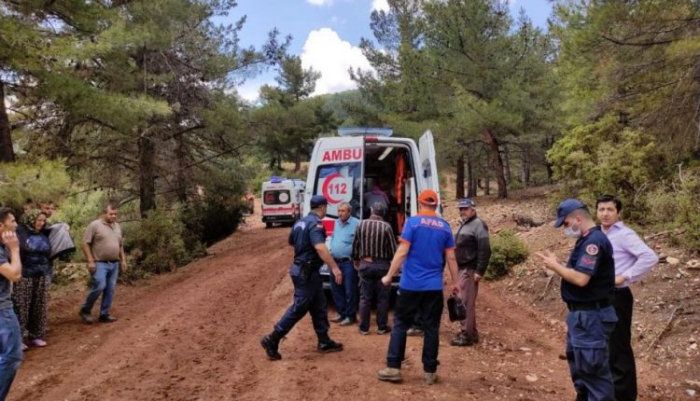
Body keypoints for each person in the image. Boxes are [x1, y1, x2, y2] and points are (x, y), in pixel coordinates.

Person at [536, 199, 618, 401]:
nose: (564, 229)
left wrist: (555, 266)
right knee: (581, 372)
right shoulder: (585, 239)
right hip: (581, 316)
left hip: (591, 317)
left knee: (593, 374)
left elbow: (581, 279)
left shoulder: (593, 242)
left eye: (565, 224)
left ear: (577, 219)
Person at [376, 189, 460, 385]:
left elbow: (402, 251)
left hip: (410, 285)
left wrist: (389, 275)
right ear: (436, 205)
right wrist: (456, 283)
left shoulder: (412, 223)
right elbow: (451, 257)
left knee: (400, 324)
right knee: (431, 328)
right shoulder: (445, 227)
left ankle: (393, 368)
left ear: (420, 204)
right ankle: (429, 372)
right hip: (433, 287)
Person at [260, 195, 344, 360]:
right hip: (306, 272)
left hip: (305, 270)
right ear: (321, 207)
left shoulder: (300, 222)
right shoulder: (316, 224)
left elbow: (292, 241)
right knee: (299, 307)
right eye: (326, 207)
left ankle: (324, 341)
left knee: (319, 305)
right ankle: (273, 338)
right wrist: (334, 267)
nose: (326, 210)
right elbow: (320, 247)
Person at [596, 195, 658, 401]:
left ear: (618, 213)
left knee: (618, 346)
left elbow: (650, 257)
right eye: (601, 209)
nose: (605, 214)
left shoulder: (624, 235)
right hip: (598, 297)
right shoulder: (596, 234)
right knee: (602, 346)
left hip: (617, 296)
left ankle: (624, 396)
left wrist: (625, 276)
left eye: (610, 210)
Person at [352, 202, 397, 335]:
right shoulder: (386, 227)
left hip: (365, 264)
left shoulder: (361, 224)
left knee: (365, 298)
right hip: (382, 265)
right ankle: (382, 327)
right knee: (382, 298)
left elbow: (355, 246)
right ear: (383, 213)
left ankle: (364, 328)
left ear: (371, 211)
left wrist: (356, 261)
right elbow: (393, 250)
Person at [451, 198, 491, 347]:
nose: (462, 211)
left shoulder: (478, 224)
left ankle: (466, 336)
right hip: (463, 268)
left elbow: (485, 249)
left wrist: (480, 270)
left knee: (465, 303)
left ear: (473, 209)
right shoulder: (465, 224)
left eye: (465, 209)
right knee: (467, 302)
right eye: (460, 209)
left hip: (469, 269)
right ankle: (472, 333)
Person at [78, 203, 128, 324]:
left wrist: (123, 260)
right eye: (111, 214)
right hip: (99, 263)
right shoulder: (95, 225)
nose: (114, 216)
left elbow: (120, 245)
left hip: (114, 263)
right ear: (104, 213)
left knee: (110, 289)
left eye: (115, 214)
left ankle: (104, 314)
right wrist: (90, 261)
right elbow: (85, 243)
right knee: (99, 286)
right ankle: (85, 310)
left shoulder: (117, 227)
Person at [12, 210, 52, 349]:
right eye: (38, 220)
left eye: (43, 221)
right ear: (30, 220)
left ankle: (36, 335)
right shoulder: (20, 234)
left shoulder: (43, 234)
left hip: (42, 274)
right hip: (25, 276)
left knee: (39, 306)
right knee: (22, 306)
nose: (41, 223)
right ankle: (19, 337)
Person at [0, 207, 23, 400]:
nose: (16, 225)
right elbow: (15, 274)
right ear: (1, 225)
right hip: (2, 311)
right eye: (12, 221)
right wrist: (15, 249)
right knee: (12, 356)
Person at [329, 202, 360, 326]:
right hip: (335, 262)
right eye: (339, 211)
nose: (340, 213)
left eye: (343, 211)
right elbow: (333, 237)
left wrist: (358, 258)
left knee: (350, 290)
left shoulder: (357, 223)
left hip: (348, 262)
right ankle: (341, 313)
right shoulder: (336, 223)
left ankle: (350, 316)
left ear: (349, 212)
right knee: (336, 289)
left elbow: (360, 242)